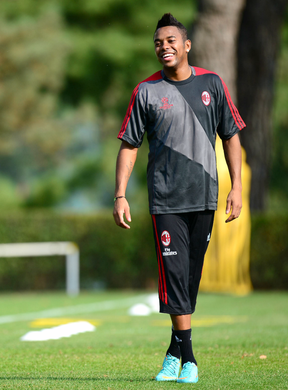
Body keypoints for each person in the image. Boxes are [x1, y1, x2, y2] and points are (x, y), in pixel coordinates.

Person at [112, 13, 245, 384]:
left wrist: (236, 186)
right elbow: (129, 145)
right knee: (173, 278)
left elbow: (232, 135)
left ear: (187, 45)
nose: (164, 46)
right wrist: (120, 195)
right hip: (165, 201)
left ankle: (172, 352)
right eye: (158, 42)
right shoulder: (146, 92)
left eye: (171, 40)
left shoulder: (212, 84)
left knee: (188, 281)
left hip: (204, 197)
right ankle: (188, 359)